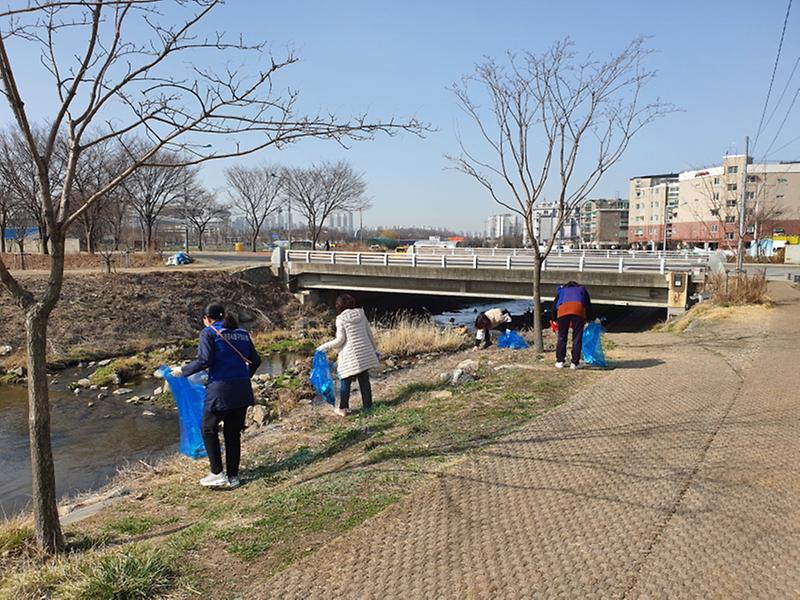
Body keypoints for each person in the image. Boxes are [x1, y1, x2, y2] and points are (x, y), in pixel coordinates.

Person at [171, 303, 261, 489]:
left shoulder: (209, 332)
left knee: (208, 429)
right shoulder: (243, 333)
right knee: (232, 434)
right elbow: (256, 360)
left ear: (207, 318)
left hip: (220, 391)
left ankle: (217, 473)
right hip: (242, 391)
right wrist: (244, 377)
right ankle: (233, 477)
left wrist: (183, 371)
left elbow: (205, 360)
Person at [316, 293, 379, 416]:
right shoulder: (361, 314)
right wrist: (374, 350)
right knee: (364, 380)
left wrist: (323, 347)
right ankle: (368, 406)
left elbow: (340, 340)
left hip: (350, 356)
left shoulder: (341, 319)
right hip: (364, 353)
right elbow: (369, 334)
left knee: (345, 380)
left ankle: (343, 408)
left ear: (339, 305)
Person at [553, 281, 592, 370]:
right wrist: (590, 319)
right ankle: (574, 363)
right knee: (577, 338)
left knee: (562, 337)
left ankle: (560, 361)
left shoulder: (562, 290)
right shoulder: (581, 289)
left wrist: (554, 319)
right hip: (578, 311)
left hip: (562, 312)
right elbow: (588, 305)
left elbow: (554, 305)